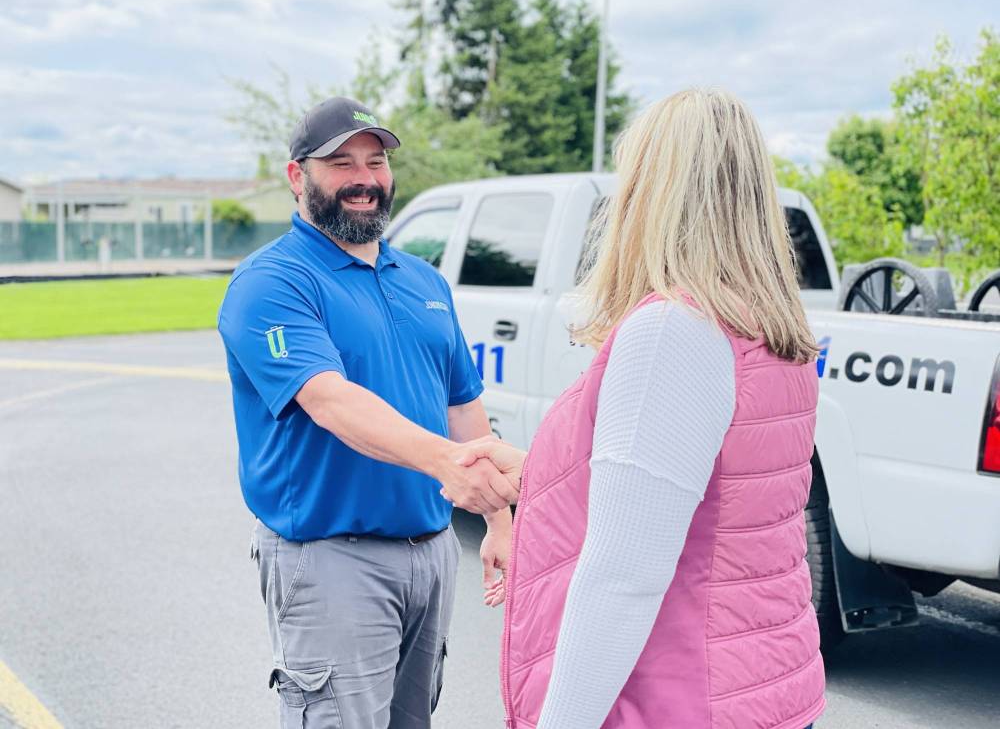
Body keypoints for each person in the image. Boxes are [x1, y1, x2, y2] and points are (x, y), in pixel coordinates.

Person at [455, 89, 826, 728]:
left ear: (652, 191)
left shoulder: (673, 333)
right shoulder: (767, 331)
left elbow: (624, 577)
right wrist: (536, 471)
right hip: (767, 692)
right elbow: (715, 497)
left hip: (680, 702)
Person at [217, 96, 517, 729]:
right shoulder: (272, 281)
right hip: (332, 560)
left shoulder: (424, 282)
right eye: (341, 163)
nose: (364, 178)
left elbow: (462, 405)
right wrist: (448, 464)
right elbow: (330, 400)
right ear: (298, 177)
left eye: (376, 162)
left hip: (430, 554)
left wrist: (499, 519)